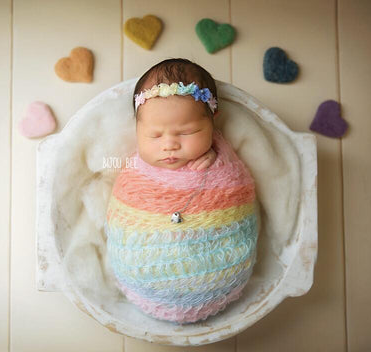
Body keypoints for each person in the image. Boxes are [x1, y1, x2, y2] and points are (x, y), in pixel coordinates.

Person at [104, 58, 258, 324]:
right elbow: (125, 203)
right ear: (137, 128)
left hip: (214, 271)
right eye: (154, 135)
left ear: (212, 121)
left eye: (187, 132)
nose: (169, 145)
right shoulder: (134, 167)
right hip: (144, 271)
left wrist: (213, 161)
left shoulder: (219, 159)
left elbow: (234, 191)